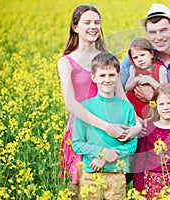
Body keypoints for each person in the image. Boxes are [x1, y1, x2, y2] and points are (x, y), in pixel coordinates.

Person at [57, 5, 141, 199]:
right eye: (87, 22)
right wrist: (106, 127)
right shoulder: (66, 61)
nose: (93, 26)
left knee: (113, 187)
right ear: (75, 27)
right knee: (79, 190)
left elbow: (121, 97)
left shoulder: (105, 58)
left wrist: (137, 125)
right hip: (83, 129)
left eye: (97, 22)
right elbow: (70, 103)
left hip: (111, 130)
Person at [72, 52, 138, 200]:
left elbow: (132, 145)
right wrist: (101, 152)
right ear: (93, 77)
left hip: (117, 173)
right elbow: (77, 143)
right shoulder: (84, 108)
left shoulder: (127, 108)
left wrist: (106, 157)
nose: (107, 80)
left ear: (118, 75)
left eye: (111, 75)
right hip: (91, 172)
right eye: (102, 75)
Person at [120, 3, 170, 103]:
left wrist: (153, 98)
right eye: (152, 32)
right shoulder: (135, 59)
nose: (158, 37)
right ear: (147, 34)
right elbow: (116, 92)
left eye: (163, 30)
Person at [133, 84, 170, 199]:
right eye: (161, 104)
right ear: (155, 106)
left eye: (169, 103)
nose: (166, 107)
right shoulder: (148, 127)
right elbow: (141, 160)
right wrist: (139, 190)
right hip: (151, 184)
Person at [125, 37, 168, 119]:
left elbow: (165, 91)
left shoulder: (160, 69)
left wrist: (150, 81)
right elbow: (127, 88)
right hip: (135, 104)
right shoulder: (133, 69)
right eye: (135, 57)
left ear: (151, 54)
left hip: (151, 106)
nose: (140, 59)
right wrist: (135, 80)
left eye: (142, 55)